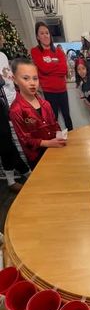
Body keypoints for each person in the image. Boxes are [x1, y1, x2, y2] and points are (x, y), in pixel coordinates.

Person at [9, 58, 66, 169]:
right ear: (14, 80)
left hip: (54, 150)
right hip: (36, 157)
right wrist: (48, 143)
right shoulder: (16, 110)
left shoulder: (46, 104)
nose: (32, 83)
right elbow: (26, 140)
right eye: (26, 78)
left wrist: (60, 139)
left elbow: (55, 124)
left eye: (35, 78)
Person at [0, 32, 30, 193]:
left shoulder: (3, 56)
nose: (2, 37)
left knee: (16, 141)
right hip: (2, 109)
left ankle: (24, 173)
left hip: (14, 103)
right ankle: (20, 176)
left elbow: (10, 80)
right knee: (7, 144)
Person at [31, 22, 73, 131]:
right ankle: (56, 141)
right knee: (53, 118)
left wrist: (50, 68)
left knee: (67, 116)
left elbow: (63, 70)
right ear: (37, 37)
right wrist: (55, 66)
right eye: (42, 33)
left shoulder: (58, 51)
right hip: (49, 92)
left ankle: (72, 138)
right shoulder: (35, 51)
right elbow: (44, 68)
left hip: (62, 90)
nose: (45, 36)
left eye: (47, 33)